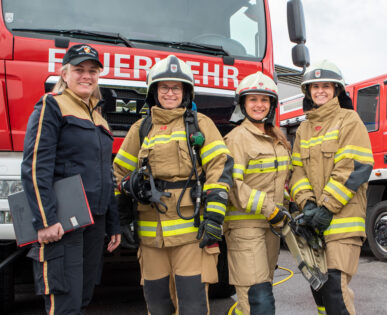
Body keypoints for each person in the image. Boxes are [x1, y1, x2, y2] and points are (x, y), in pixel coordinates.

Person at [113, 55, 233, 315]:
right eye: (164, 87)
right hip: (150, 238)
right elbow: (119, 173)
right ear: (154, 92)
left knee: (192, 307)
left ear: (185, 92)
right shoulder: (141, 129)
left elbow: (220, 169)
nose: (170, 93)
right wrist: (122, 218)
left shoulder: (201, 125)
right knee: (157, 306)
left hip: (191, 236)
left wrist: (214, 218)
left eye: (176, 87)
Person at [21, 44, 121, 314]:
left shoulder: (99, 118)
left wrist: (113, 224)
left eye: (92, 71)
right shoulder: (51, 106)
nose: (86, 76)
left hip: (94, 221)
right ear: (64, 74)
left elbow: (106, 176)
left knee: (83, 297)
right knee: (64, 301)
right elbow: (34, 166)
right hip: (63, 222)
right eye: (79, 70)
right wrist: (45, 220)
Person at [290, 60, 374, 314]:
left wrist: (326, 207)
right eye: (315, 87)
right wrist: (308, 204)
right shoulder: (304, 128)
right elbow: (297, 173)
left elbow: (354, 167)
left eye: (326, 86)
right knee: (321, 292)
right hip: (315, 220)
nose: (320, 91)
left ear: (337, 90)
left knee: (336, 288)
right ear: (308, 92)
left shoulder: (349, 120)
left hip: (343, 220)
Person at [223, 72, 291, 315]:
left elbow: (286, 179)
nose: (259, 105)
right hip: (245, 228)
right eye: (253, 100)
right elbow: (233, 185)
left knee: (261, 293)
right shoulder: (236, 139)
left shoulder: (277, 140)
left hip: (271, 228)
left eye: (264, 100)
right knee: (257, 299)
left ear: (271, 104)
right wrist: (269, 208)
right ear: (243, 104)